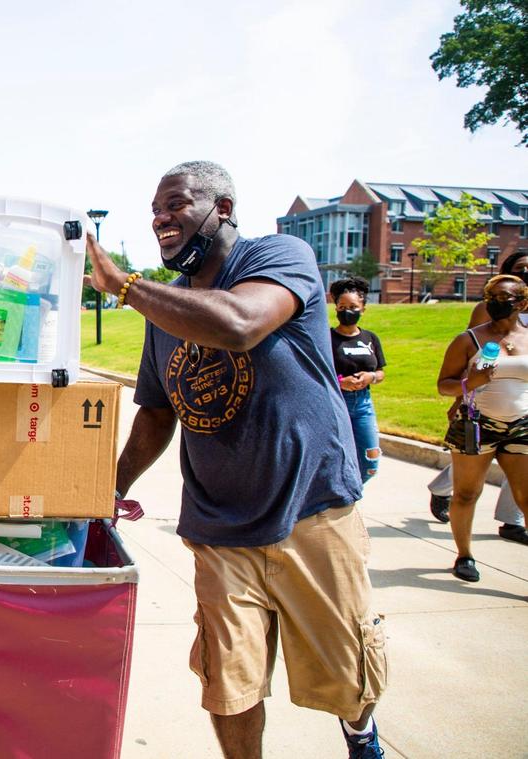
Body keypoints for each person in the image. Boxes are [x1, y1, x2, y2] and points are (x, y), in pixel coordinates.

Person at [87, 161, 385, 759]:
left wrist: (124, 286)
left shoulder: (281, 255)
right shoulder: (166, 310)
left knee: (345, 672)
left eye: (174, 204)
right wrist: (104, 490)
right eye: (154, 209)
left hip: (312, 507)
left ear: (222, 208)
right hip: (220, 526)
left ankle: (360, 731)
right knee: (229, 682)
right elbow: (156, 414)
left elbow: (241, 324)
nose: (159, 219)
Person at [427, 249, 528, 545]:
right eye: (491, 298)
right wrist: (468, 387)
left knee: (526, 496)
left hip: (521, 424)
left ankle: (511, 523)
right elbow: (448, 381)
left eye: (504, 300)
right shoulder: (471, 338)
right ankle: (464, 554)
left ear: (522, 302)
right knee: (468, 493)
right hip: (477, 422)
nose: (496, 304)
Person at [330, 277, 386, 483]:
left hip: (363, 404)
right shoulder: (327, 338)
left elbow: (381, 372)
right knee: (336, 458)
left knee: (370, 460)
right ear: (335, 308)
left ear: (363, 309)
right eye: (342, 306)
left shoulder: (370, 338)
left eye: (353, 306)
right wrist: (340, 382)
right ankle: (342, 502)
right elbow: (317, 373)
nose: (347, 311)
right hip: (336, 403)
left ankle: (352, 494)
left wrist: (371, 376)